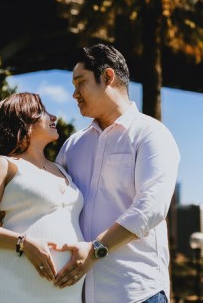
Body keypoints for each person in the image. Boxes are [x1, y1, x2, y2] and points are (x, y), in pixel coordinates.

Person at [53, 44, 181, 303]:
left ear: (108, 77)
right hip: (80, 295)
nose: (74, 94)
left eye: (81, 83)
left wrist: (95, 250)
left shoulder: (151, 134)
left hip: (137, 292)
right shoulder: (72, 145)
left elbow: (151, 207)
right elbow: (54, 201)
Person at [0, 92, 84, 303]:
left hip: (65, 291)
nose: (53, 116)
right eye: (43, 112)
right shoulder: (4, 164)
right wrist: (24, 243)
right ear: (24, 120)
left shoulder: (62, 169)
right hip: (11, 284)